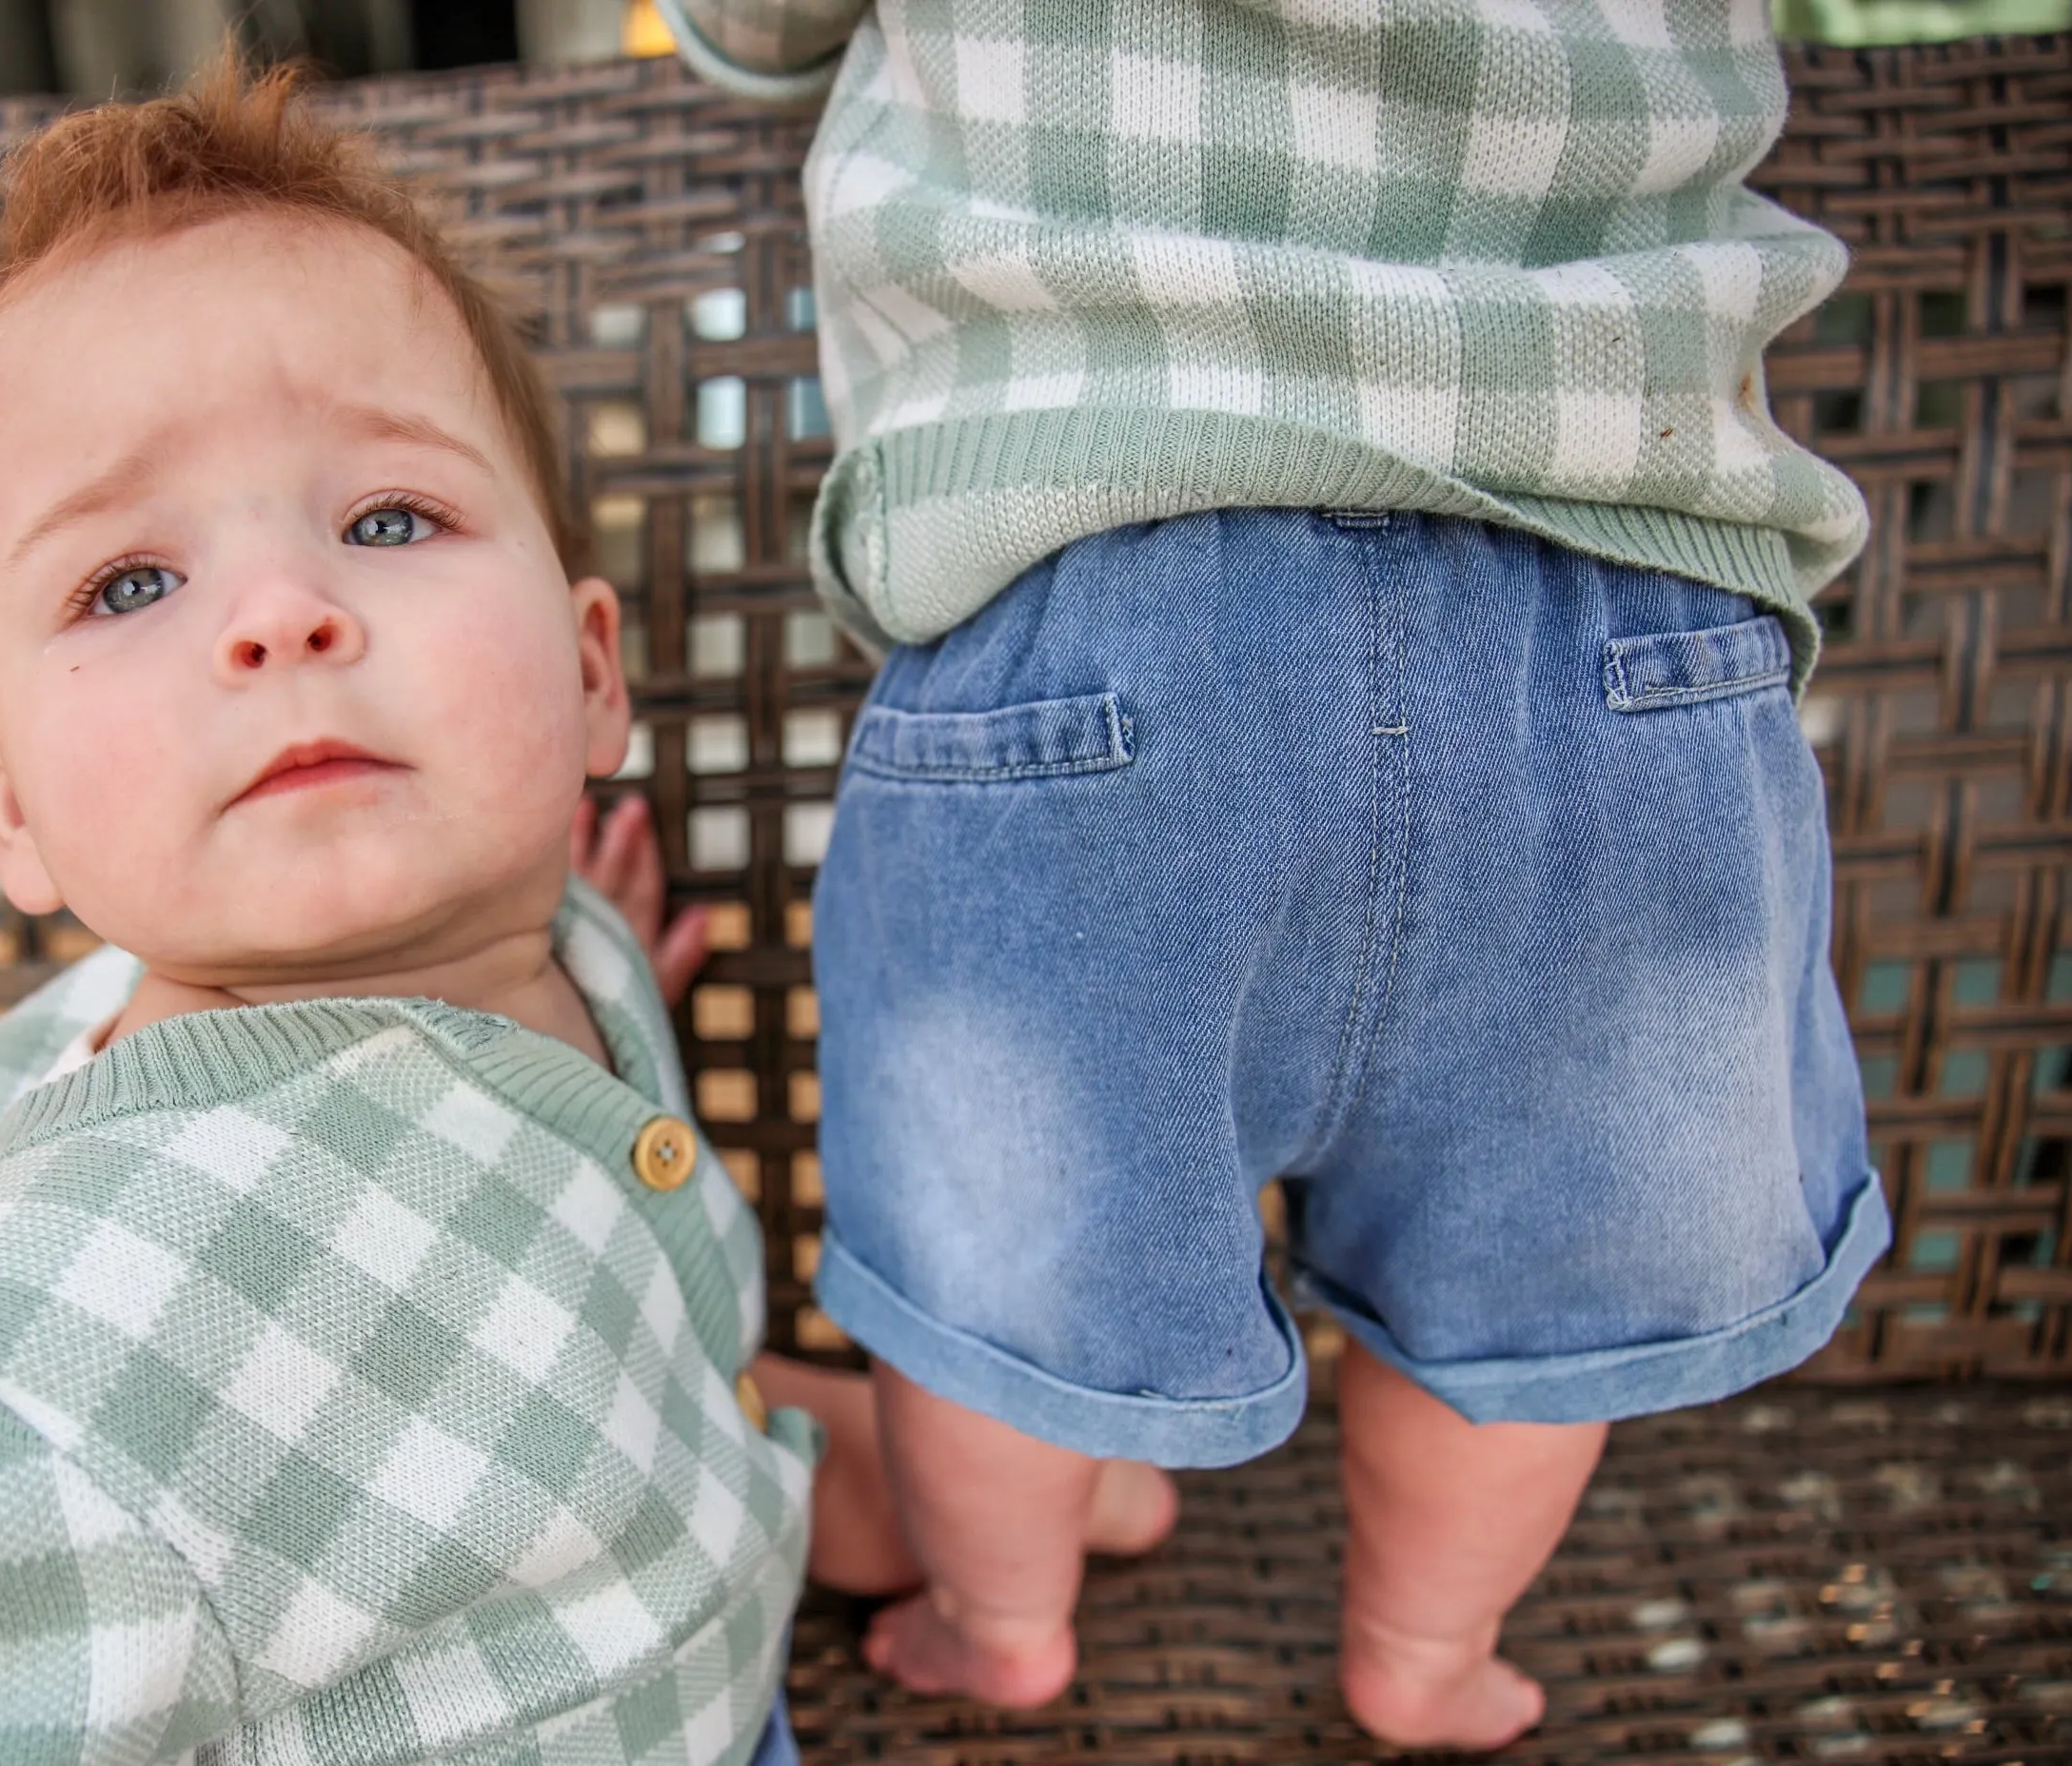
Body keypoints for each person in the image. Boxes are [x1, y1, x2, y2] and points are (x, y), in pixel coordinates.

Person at [657, 0, 1884, 1750]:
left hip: (1089, 593)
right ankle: (1424, 1648)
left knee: (995, 1252)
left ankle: (999, 1617)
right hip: (1621, 604)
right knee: (1518, 1286)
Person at [0, 64, 936, 1765]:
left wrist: (581, 954)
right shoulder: (36, 1403)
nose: (280, 612)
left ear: (589, 676)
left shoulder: (558, 950)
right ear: (10, 807)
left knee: (964, 1463)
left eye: (390, 518)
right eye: (129, 581)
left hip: (668, 1501)